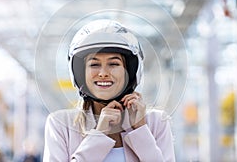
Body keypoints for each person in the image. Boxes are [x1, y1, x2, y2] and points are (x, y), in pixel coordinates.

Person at [43, 19, 175, 161]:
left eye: (113, 63)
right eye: (94, 64)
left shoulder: (157, 122)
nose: (103, 73)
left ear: (129, 72)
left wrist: (141, 130)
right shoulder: (61, 124)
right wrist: (99, 135)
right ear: (81, 74)